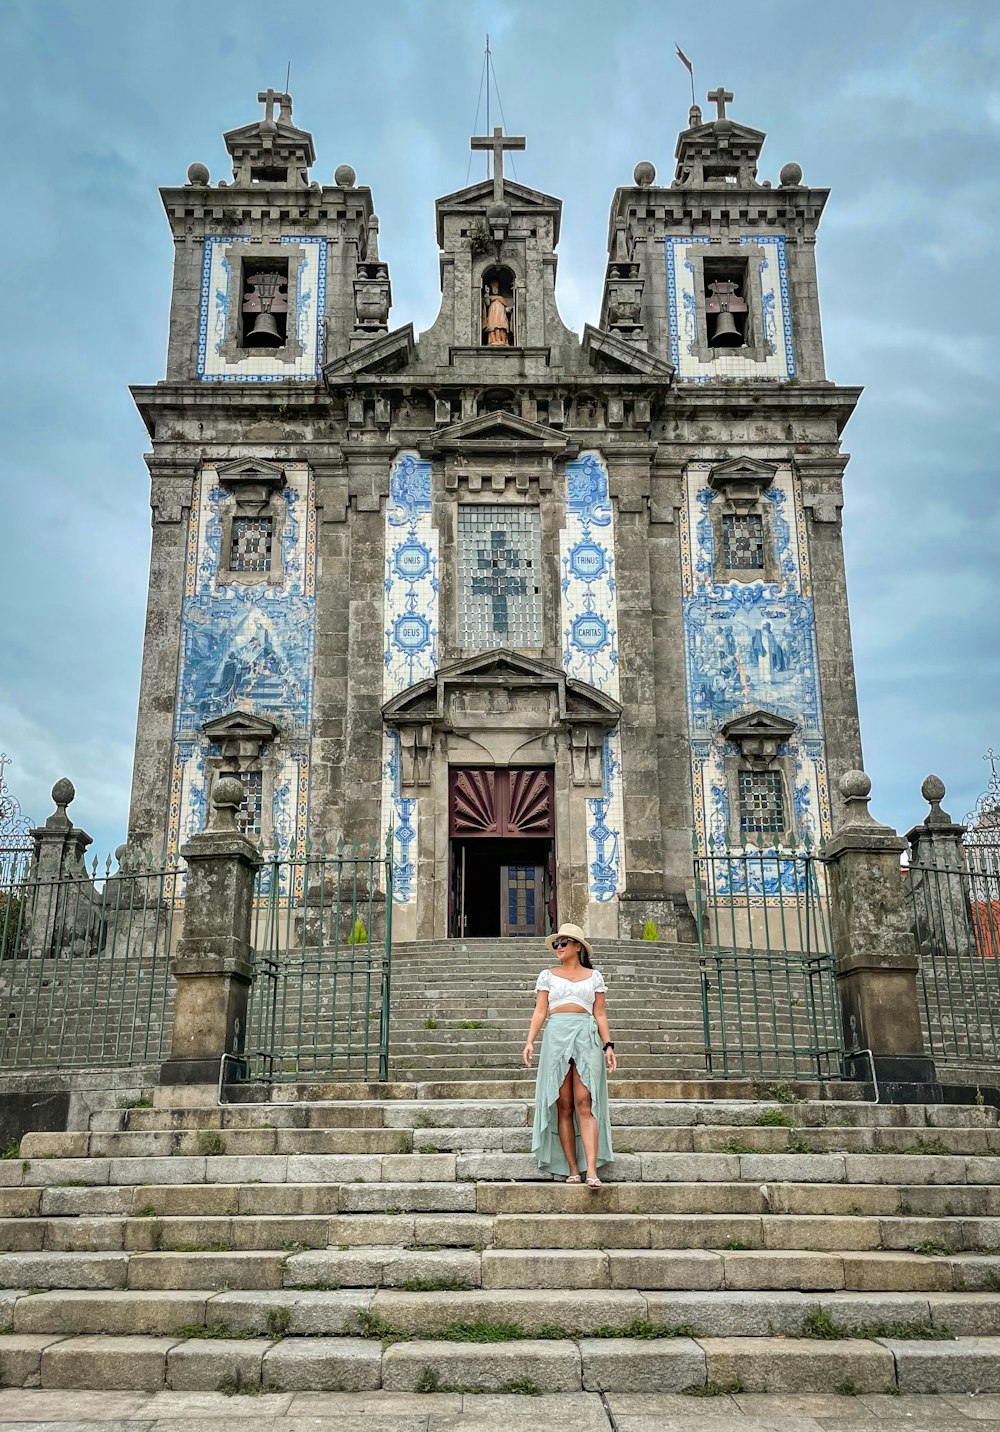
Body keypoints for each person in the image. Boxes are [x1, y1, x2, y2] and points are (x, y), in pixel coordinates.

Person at [522, 922, 617, 1188]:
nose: (558, 948)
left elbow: (600, 1013)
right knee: (563, 1105)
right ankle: (572, 1169)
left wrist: (609, 1045)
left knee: (585, 1102)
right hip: (557, 1034)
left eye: (563, 943)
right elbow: (540, 1011)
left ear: (577, 946)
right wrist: (530, 1041)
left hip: (586, 1034)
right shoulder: (547, 975)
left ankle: (592, 1171)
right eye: (556, 944)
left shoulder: (594, 976)